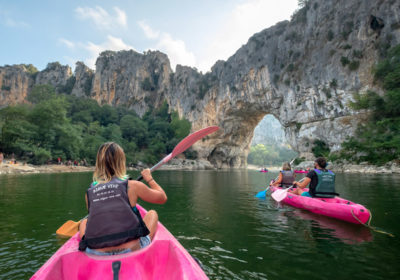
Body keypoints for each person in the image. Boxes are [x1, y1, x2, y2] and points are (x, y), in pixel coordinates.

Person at [78, 142, 167, 255]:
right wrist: (149, 178)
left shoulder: (89, 192)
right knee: (152, 213)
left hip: (95, 252)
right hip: (130, 249)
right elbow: (162, 197)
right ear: (121, 162)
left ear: (99, 164)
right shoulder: (133, 185)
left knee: (84, 222)